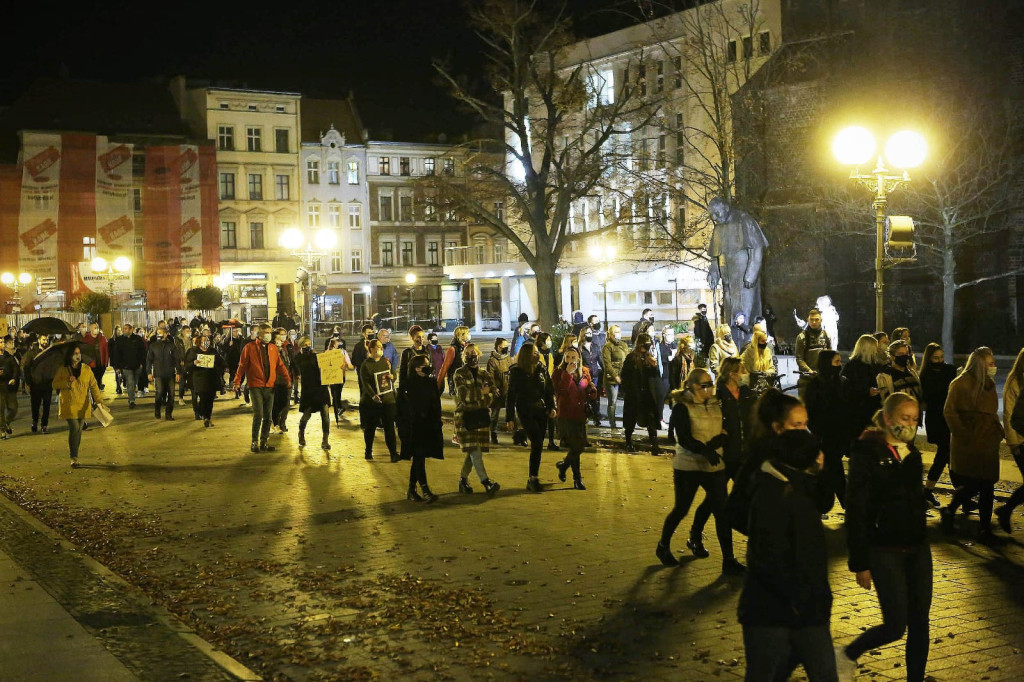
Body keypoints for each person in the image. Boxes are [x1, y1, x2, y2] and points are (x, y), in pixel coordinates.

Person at [839, 392, 931, 682]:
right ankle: (846, 654)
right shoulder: (867, 452)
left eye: (915, 419)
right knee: (895, 625)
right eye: (905, 418)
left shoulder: (911, 454)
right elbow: (857, 508)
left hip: (916, 546)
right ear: (888, 419)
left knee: (920, 622)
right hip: (884, 548)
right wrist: (860, 561)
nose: (911, 425)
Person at [739, 430, 836, 682]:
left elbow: (825, 501)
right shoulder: (776, 494)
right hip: (775, 612)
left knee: (823, 673)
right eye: (817, 452)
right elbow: (771, 557)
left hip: (807, 608)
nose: (822, 457)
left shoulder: (797, 487)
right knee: (767, 674)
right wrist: (799, 597)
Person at [656, 368, 745, 574]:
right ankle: (663, 545)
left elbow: (724, 428)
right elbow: (685, 438)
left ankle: (729, 560)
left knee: (722, 512)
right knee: (681, 509)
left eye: (711, 384)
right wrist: (705, 450)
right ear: (693, 387)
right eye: (705, 385)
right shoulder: (682, 407)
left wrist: (720, 440)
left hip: (714, 465)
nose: (710, 389)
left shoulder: (715, 404)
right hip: (689, 465)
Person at [689, 357, 753, 552]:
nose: (745, 373)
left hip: (743, 456)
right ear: (732, 374)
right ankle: (696, 535)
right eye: (742, 369)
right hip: (725, 456)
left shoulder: (746, 393)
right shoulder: (718, 396)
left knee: (750, 496)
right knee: (714, 501)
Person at [941, 347, 1003, 541]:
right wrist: (963, 434)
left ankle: (984, 528)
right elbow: (950, 411)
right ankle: (950, 509)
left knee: (988, 485)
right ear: (980, 364)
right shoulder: (961, 384)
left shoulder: (989, 384)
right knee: (975, 483)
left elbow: (991, 412)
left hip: (988, 441)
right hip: (971, 441)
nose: (994, 367)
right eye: (990, 363)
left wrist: (997, 431)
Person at [805, 350, 853, 510]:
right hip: (824, 437)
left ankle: (826, 504)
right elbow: (811, 411)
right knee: (834, 471)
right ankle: (844, 505)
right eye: (836, 362)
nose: (840, 365)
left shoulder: (842, 382)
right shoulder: (815, 385)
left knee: (833, 471)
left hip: (839, 436)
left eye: (840, 362)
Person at [233, 323, 291, 453]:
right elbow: (241, 365)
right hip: (255, 385)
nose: (268, 335)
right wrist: (237, 381)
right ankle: (255, 441)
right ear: (259, 334)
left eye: (269, 332)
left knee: (268, 416)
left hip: (269, 385)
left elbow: (280, 365)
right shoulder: (249, 347)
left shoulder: (273, 348)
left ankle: (264, 441)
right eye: (266, 332)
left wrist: (287, 379)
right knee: (258, 414)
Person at [506, 342, 555, 493]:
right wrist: (510, 417)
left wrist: (552, 406)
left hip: (541, 410)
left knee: (538, 444)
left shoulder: (541, 368)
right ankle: (533, 478)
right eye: (533, 352)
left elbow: (548, 389)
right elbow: (511, 396)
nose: (536, 354)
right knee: (537, 441)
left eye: (536, 352)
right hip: (526, 410)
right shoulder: (517, 371)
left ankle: (533, 476)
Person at [453, 343, 501, 496]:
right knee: (475, 450)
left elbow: (493, 396)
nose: (471, 355)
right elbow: (463, 397)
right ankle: (486, 482)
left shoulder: (485, 374)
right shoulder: (459, 373)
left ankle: (463, 480)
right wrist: (483, 394)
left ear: (479, 354)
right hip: (465, 419)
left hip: (480, 418)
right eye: (467, 353)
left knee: (472, 451)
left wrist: (480, 396)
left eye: (473, 352)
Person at [51, 345, 105, 468]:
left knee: (79, 429)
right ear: (70, 356)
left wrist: (99, 400)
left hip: (83, 404)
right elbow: (54, 384)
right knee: (74, 427)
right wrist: (67, 382)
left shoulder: (86, 369)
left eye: (79, 353)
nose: (78, 355)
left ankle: (75, 455)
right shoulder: (63, 369)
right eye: (75, 353)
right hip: (68, 404)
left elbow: (94, 386)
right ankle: (73, 456)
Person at [552, 346, 597, 490]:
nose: (571, 360)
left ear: (578, 358)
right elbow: (560, 391)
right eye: (568, 357)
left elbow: (585, 391)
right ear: (564, 358)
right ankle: (577, 479)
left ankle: (564, 465)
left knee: (579, 447)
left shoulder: (584, 372)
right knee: (575, 447)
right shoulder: (559, 373)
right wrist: (567, 374)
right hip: (566, 415)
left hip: (579, 415)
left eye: (573, 357)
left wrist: (592, 391)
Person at [399, 355, 443, 502]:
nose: (428, 365)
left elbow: (436, 403)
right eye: (425, 364)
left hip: (428, 426)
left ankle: (412, 489)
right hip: (414, 427)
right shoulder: (407, 385)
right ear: (417, 368)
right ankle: (424, 489)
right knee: (419, 456)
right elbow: (401, 409)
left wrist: (437, 421)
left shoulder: (430, 382)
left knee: (420, 457)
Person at [919, 342, 957, 508]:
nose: (940, 360)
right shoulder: (926, 375)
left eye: (941, 357)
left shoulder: (950, 370)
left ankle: (959, 493)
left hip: (948, 418)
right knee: (945, 454)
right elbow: (931, 397)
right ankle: (961, 493)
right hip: (936, 419)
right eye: (936, 357)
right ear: (929, 358)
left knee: (947, 456)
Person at [621, 334, 662, 454]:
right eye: (645, 344)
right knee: (631, 420)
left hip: (647, 395)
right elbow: (625, 376)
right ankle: (628, 442)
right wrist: (629, 390)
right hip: (634, 394)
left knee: (651, 419)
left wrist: (654, 366)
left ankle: (655, 445)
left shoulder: (649, 357)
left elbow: (655, 376)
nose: (647, 347)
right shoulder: (631, 358)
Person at [359, 338, 398, 461]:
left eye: (381, 347)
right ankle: (368, 451)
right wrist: (372, 395)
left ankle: (393, 453)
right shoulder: (366, 365)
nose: (381, 348)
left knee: (389, 427)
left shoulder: (385, 361)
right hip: (372, 402)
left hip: (387, 400)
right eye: (378, 346)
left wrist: (393, 376)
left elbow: (393, 373)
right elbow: (365, 383)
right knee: (370, 428)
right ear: (371, 349)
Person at [293, 336, 332, 451]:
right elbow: (300, 368)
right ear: (300, 346)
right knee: (306, 415)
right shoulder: (298, 358)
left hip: (321, 389)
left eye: (309, 344)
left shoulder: (315, 356)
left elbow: (324, 366)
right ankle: (301, 433)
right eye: (305, 345)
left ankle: (325, 440)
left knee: (325, 416)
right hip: (309, 390)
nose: (308, 347)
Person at [842, 335, 882, 436]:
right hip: (859, 411)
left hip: (870, 409)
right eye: (875, 348)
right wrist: (866, 391)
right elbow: (847, 388)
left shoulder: (873, 364)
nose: (877, 350)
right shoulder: (853, 366)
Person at [187, 335, 224, 428]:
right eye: (204, 340)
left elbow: (220, 361)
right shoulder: (193, 351)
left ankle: (208, 416)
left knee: (210, 399)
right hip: (200, 379)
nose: (206, 342)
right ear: (199, 342)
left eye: (207, 340)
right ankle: (205, 417)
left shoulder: (213, 351)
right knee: (203, 398)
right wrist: (193, 363)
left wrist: (222, 367)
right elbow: (187, 365)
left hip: (211, 378)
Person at [147, 327, 181, 421]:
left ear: (166, 334)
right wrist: (149, 372)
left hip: (170, 374)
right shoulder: (153, 346)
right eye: (158, 333)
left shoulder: (172, 346)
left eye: (161, 332)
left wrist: (178, 372)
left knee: (171, 394)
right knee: (159, 393)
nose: (159, 334)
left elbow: (177, 360)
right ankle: (157, 411)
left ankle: (168, 414)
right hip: (158, 374)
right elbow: (149, 360)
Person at [21, 334, 52, 433]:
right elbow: (26, 367)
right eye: (43, 340)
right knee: (35, 405)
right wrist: (28, 381)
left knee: (47, 405)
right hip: (36, 383)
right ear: (39, 340)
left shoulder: (50, 352)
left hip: (47, 383)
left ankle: (44, 425)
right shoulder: (32, 353)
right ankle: (35, 421)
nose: (45, 342)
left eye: (46, 340)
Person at [110, 324, 146, 409]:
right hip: (126, 366)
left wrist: (142, 363)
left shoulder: (137, 339)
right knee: (130, 382)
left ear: (130, 330)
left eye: (126, 329)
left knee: (134, 384)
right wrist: (117, 367)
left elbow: (143, 352)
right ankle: (131, 400)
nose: (124, 330)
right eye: (124, 328)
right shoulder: (120, 340)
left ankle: (131, 396)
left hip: (137, 366)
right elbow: (117, 354)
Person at [486, 338, 513, 444]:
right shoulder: (492, 361)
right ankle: (493, 433)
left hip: (508, 389)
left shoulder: (508, 358)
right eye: (504, 346)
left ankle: (517, 435)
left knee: (511, 413)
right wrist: (493, 387)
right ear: (498, 347)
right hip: (498, 390)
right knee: (495, 414)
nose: (506, 348)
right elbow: (490, 376)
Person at [601, 325, 629, 430]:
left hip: (624, 376)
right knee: (612, 401)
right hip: (611, 378)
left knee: (627, 400)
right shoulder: (608, 346)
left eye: (619, 331)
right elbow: (607, 364)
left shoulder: (623, 345)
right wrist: (615, 376)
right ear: (611, 334)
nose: (618, 333)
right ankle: (612, 424)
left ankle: (626, 423)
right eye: (616, 332)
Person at [324, 336, 354, 425]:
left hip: (341, 375)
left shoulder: (343, 352)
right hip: (332, 376)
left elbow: (349, 364)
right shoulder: (327, 353)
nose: (338, 344)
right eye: (337, 343)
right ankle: (338, 407)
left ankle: (338, 407)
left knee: (338, 392)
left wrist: (346, 365)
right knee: (334, 392)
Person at [578, 326, 603, 427]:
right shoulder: (579, 347)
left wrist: (604, 370)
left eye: (591, 333)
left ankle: (597, 418)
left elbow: (600, 360)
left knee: (595, 396)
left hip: (595, 375)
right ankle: (586, 416)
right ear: (583, 335)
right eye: (588, 333)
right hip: (585, 376)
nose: (590, 335)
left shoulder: (595, 346)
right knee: (585, 397)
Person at [437, 326, 470, 397]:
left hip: (467, 382)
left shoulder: (467, 348)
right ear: (461, 335)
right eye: (467, 333)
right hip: (456, 383)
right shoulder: (452, 349)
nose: (469, 335)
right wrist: (438, 385)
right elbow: (444, 368)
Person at [271, 329, 293, 433]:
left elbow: (288, 363)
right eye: (278, 338)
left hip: (285, 379)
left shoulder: (284, 349)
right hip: (275, 381)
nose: (281, 340)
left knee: (285, 402)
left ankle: (280, 422)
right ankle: (275, 423)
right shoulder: (272, 350)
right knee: (276, 403)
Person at [0, 336, 20, 438]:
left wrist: (14, 378)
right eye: (0, 342)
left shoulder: (9, 357)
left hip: (9, 386)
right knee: (1, 410)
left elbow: (16, 369)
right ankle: (2, 430)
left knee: (13, 408)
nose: (3, 344)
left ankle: (6, 423)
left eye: (3, 342)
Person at [350, 324, 376, 392]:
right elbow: (355, 361)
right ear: (364, 334)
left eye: (372, 332)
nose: (371, 334)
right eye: (369, 333)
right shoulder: (358, 346)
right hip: (363, 376)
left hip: (375, 374)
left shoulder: (377, 344)